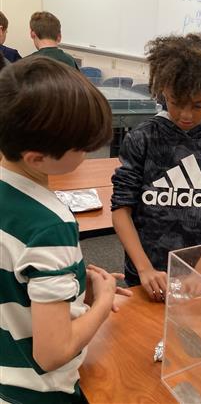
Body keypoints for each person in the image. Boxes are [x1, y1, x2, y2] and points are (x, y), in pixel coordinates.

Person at [0, 57, 131, 403]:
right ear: (36, 158)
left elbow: (14, 279)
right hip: (38, 393)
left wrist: (71, 289)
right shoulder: (49, 223)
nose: (89, 153)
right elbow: (52, 353)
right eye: (82, 148)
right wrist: (101, 302)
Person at [111, 33, 201, 301]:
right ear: (162, 93)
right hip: (144, 273)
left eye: (197, 105)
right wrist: (144, 268)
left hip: (198, 274)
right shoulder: (142, 138)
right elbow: (121, 209)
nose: (185, 115)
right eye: (175, 102)